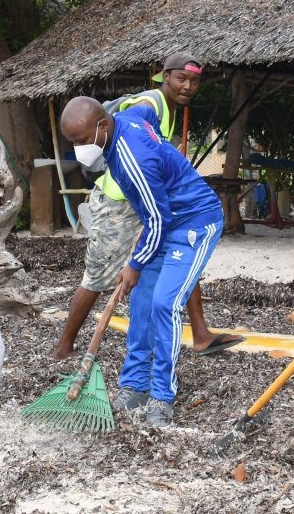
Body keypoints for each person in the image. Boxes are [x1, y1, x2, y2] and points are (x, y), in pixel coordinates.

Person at [52, 52, 243, 360]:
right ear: (164, 76)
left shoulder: (163, 110)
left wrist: (162, 152)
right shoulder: (150, 102)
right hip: (117, 204)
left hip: (146, 202)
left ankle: (201, 333)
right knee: (99, 277)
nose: (188, 87)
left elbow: (149, 140)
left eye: (194, 81)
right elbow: (130, 123)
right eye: (181, 78)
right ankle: (64, 347)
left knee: (175, 251)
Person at [60, 96, 224, 427]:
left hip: (194, 222)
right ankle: (135, 384)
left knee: (165, 304)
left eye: (81, 141)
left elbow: (159, 220)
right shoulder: (127, 117)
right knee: (142, 304)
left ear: (103, 125)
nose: (79, 150)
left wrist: (135, 264)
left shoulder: (134, 159)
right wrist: (163, 150)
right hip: (162, 222)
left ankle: (161, 396)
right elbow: (145, 110)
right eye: (73, 143)